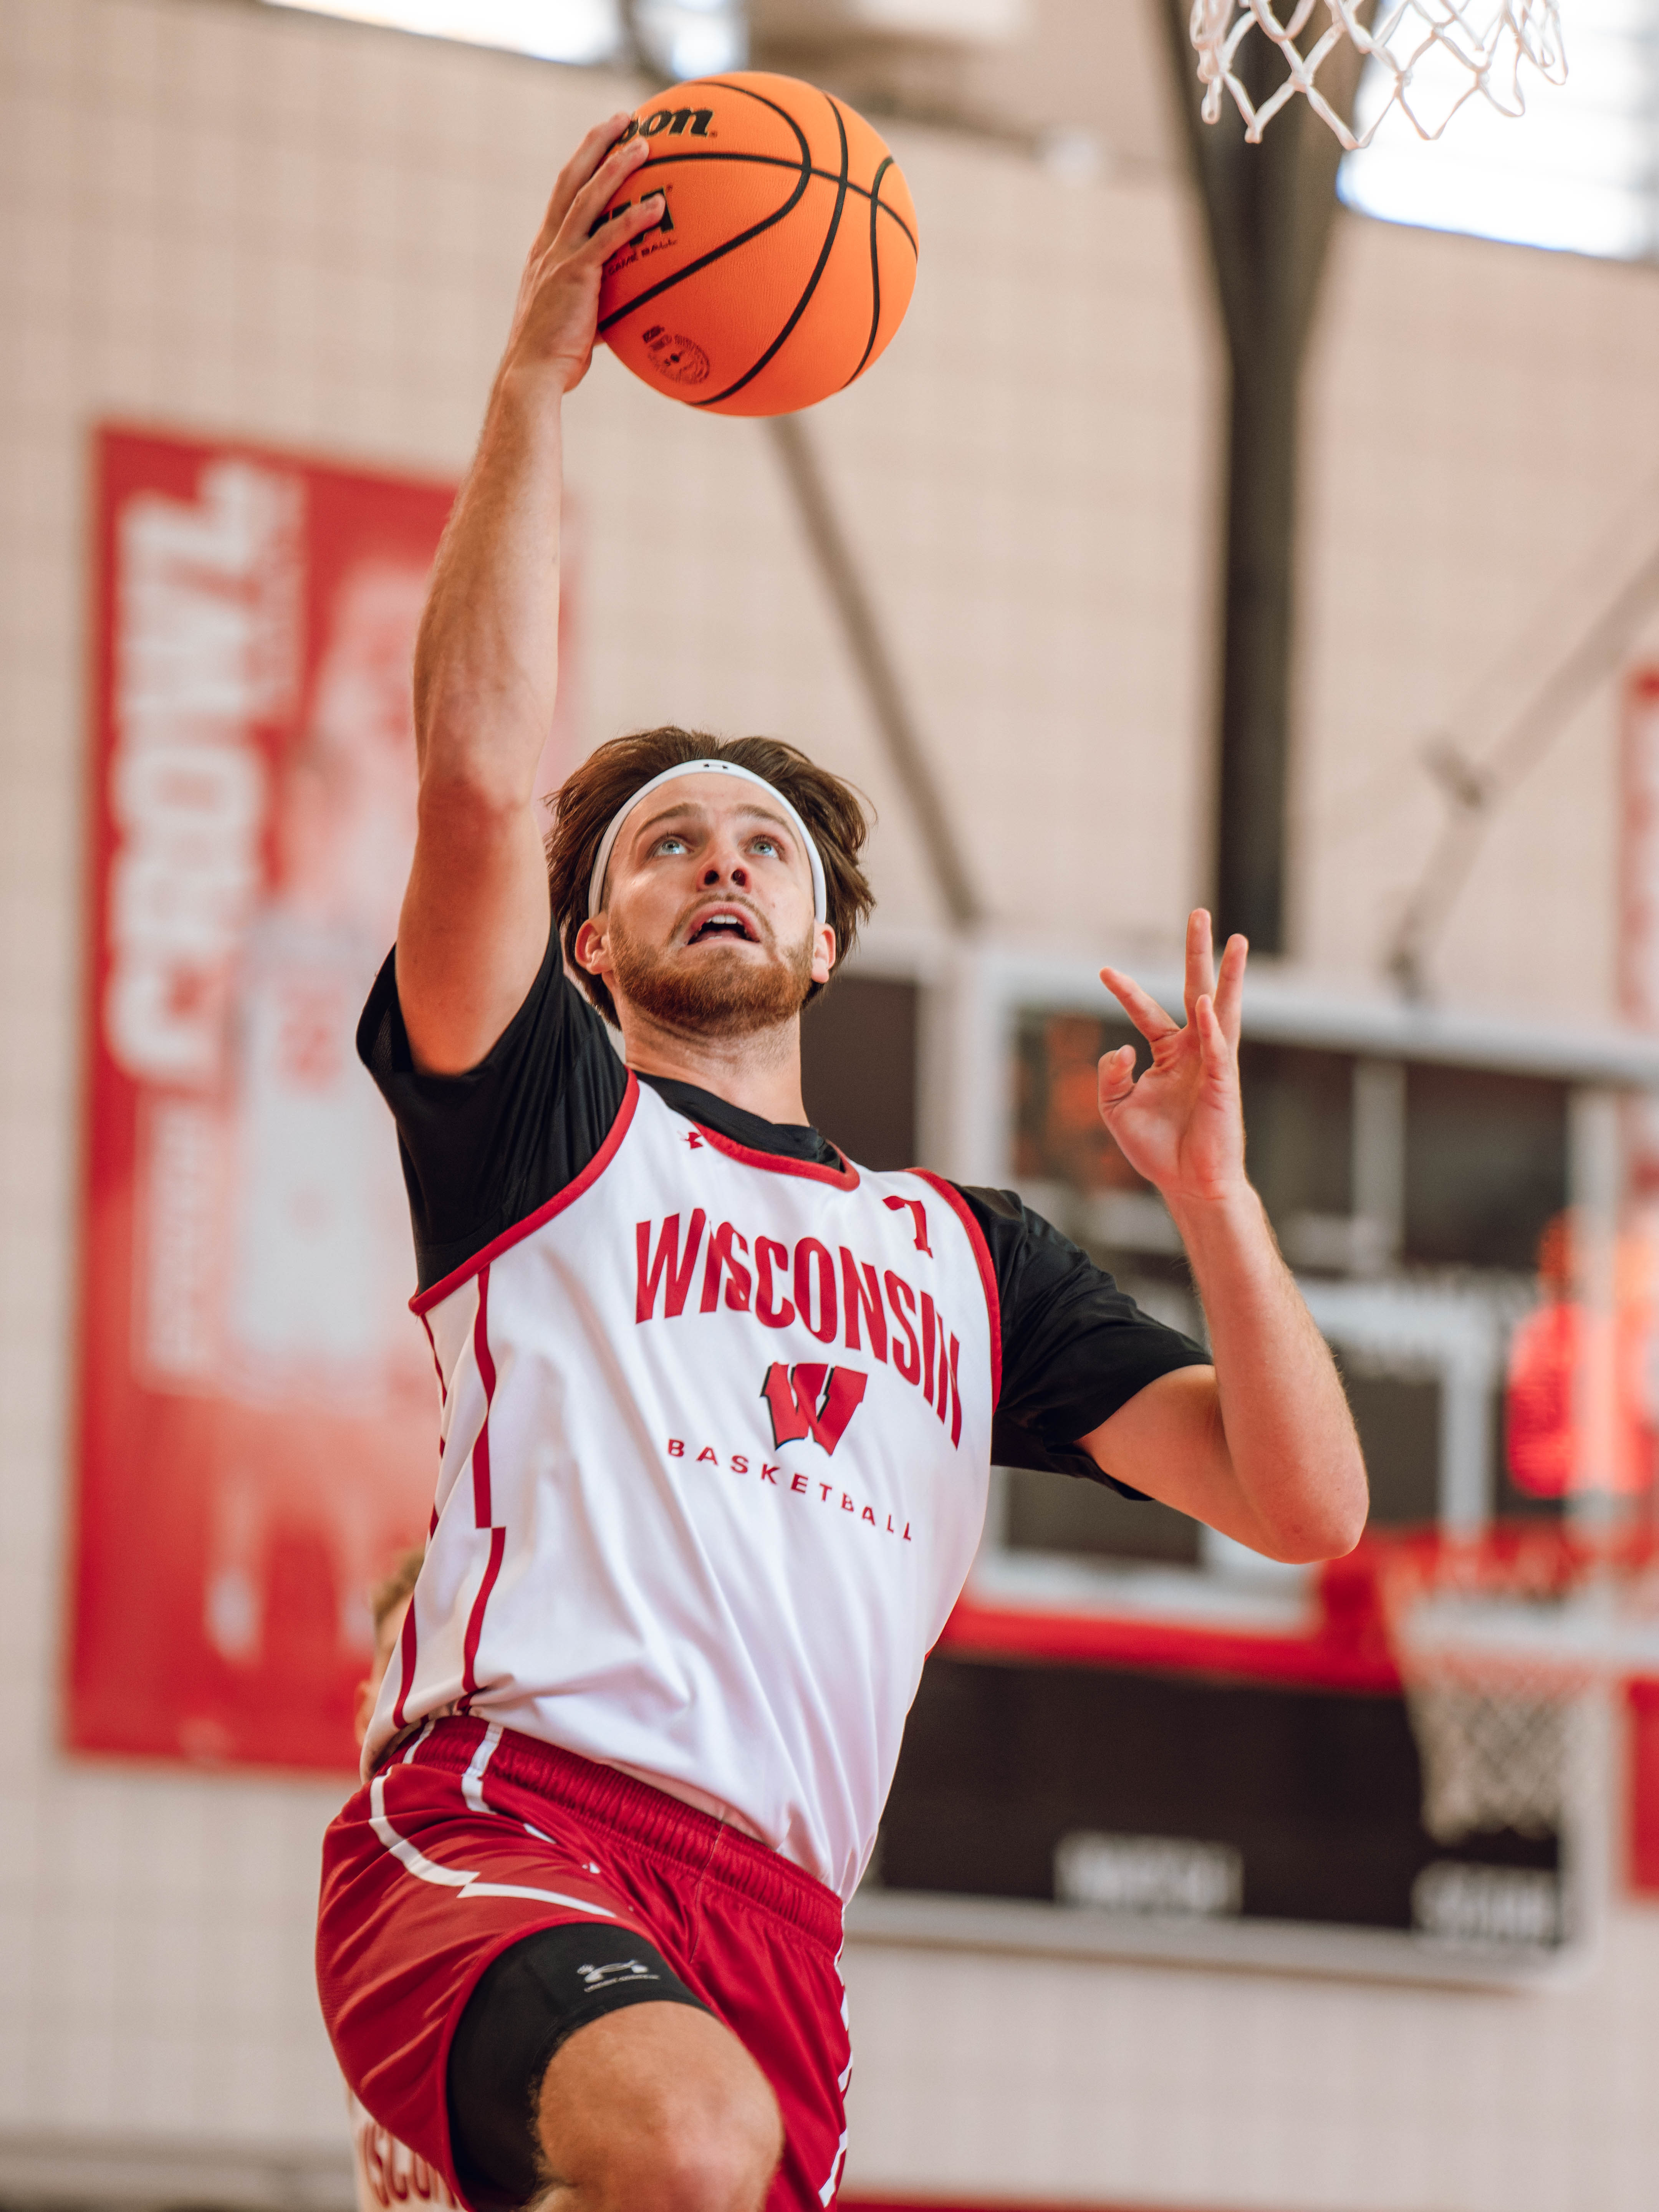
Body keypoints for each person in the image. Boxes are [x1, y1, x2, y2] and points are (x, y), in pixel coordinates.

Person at [315, 114, 1368, 2212]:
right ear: (590, 939)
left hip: (777, 1931)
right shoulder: (544, 1125)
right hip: (514, 1820)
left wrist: (1216, 1204)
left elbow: (1304, 1500)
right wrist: (534, 377)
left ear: (824, 940)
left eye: (763, 843)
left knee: (704, 2142)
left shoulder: (966, 1262)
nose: (720, 857)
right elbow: (465, 788)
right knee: (688, 2142)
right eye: (659, 846)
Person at [344, 1548, 462, 2212]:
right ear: (366, 1715)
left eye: (448, 1660)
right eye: (404, 1659)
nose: (427, 1690)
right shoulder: (363, 1926)